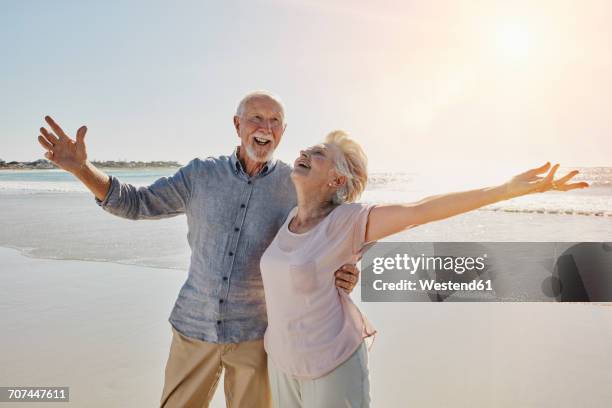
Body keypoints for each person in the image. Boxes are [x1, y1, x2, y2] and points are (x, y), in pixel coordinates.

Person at [36, 91, 361, 408]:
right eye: (256, 118)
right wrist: (81, 168)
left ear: (283, 131)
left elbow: (335, 228)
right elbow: (137, 203)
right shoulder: (201, 174)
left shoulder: (296, 184)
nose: (266, 127)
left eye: (275, 121)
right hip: (193, 326)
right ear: (237, 125)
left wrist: (345, 267)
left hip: (257, 334)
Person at [259, 130, 589, 407]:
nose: (304, 151)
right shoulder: (288, 216)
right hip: (281, 360)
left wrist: (506, 190)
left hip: (330, 360)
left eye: (318, 153)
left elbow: (420, 210)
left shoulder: (349, 220)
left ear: (336, 179)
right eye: (308, 148)